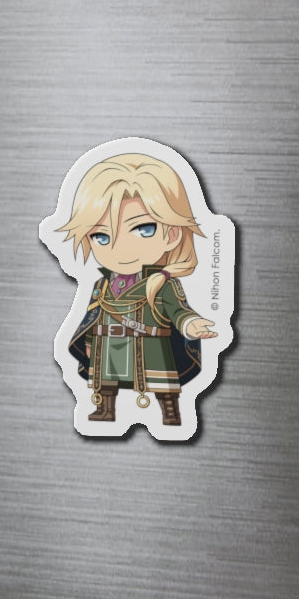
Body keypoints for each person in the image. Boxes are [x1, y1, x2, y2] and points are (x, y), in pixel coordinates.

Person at [57, 153, 217, 425]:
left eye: (143, 229)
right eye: (101, 236)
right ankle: (105, 409)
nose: (120, 248)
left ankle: (170, 412)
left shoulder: (163, 283)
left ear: (172, 234)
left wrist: (190, 325)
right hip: (108, 343)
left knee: (162, 383)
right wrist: (87, 342)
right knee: (104, 382)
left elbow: (178, 310)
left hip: (150, 344)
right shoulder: (102, 283)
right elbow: (93, 316)